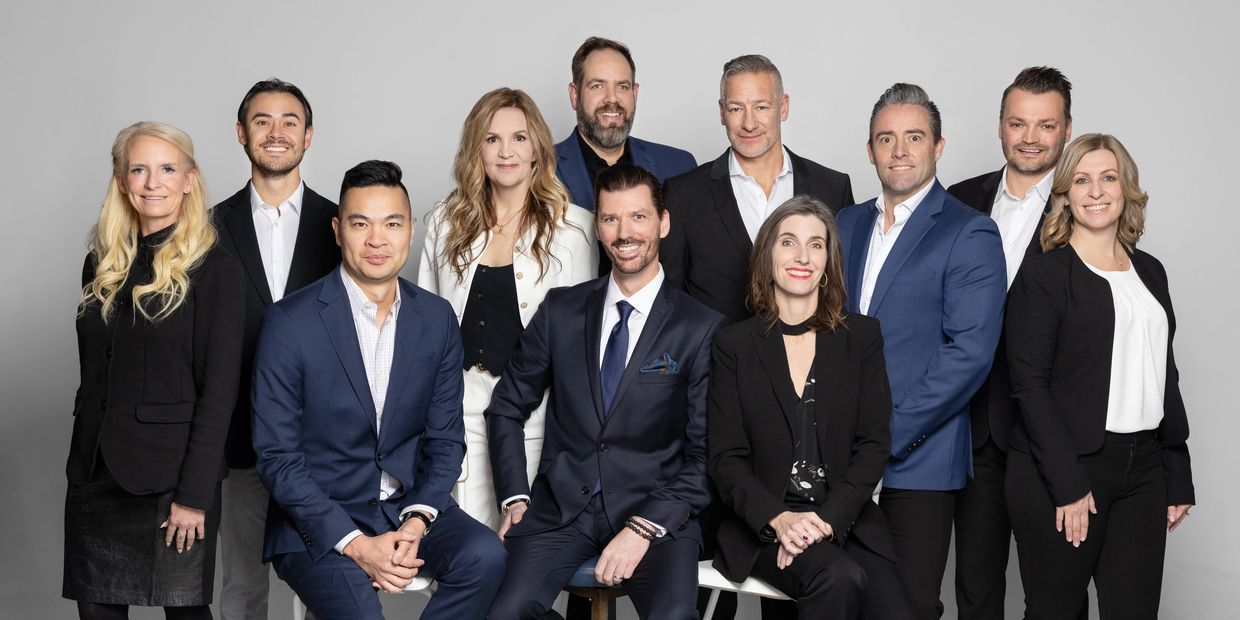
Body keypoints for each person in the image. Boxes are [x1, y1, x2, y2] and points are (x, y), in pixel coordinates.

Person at [251, 160, 506, 619]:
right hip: (319, 518)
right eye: (360, 224)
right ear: (337, 231)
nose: (377, 240)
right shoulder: (289, 323)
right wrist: (356, 544)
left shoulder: (437, 319)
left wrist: (417, 521)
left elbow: (446, 440)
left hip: (406, 508)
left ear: (410, 230)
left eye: (392, 223)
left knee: (485, 557)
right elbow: (276, 457)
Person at [485, 164, 722, 619]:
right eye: (611, 218)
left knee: (674, 616)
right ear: (597, 227)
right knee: (504, 613)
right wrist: (514, 496)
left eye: (638, 217)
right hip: (561, 512)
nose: (624, 232)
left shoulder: (700, 327)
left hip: (656, 512)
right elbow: (506, 407)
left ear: (663, 223)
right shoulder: (561, 310)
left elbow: (705, 456)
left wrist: (644, 526)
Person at [1004, 134, 1195, 619]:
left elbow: (1164, 373)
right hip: (1065, 468)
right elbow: (1028, 386)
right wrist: (1067, 482)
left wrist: (1177, 471)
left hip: (1144, 468)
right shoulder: (1043, 275)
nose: (1095, 191)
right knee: (1056, 611)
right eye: (1082, 180)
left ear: (1126, 188)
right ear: (1065, 193)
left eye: (1108, 178)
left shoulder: (1150, 271)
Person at [835, 83, 1006, 619]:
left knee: (907, 607)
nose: (900, 150)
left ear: (938, 146)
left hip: (918, 460)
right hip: (839, 458)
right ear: (870, 150)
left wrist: (885, 436)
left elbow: (970, 354)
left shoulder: (969, 231)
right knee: (838, 601)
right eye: (886, 138)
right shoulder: (844, 224)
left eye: (914, 137)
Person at [64, 121, 245, 619]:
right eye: (139, 170)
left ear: (189, 179)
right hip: (96, 472)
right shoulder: (101, 264)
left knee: (184, 612)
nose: (152, 182)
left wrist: (194, 495)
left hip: (173, 480)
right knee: (96, 613)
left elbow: (219, 393)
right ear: (122, 181)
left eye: (167, 169)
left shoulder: (215, 270)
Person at [708, 196, 914, 619]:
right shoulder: (734, 345)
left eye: (815, 245)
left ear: (828, 261)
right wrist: (780, 520)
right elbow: (726, 459)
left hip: (844, 519)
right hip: (764, 526)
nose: (802, 256)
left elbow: (873, 445)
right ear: (767, 255)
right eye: (788, 242)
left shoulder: (861, 337)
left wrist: (826, 522)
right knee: (837, 577)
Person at [418, 87, 597, 530]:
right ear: (475, 149)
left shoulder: (575, 229)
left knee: (523, 547)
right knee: (467, 549)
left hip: (535, 420)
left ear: (537, 147)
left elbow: (582, 344)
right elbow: (425, 328)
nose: (506, 151)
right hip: (459, 416)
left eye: (519, 138)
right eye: (492, 139)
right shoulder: (444, 221)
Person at [945, 66, 1074, 620]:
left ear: (1067, 129)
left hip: (1055, 432)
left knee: (1056, 596)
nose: (1030, 138)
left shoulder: (1085, 204)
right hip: (975, 429)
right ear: (1000, 125)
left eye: (1046, 125)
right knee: (976, 588)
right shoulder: (958, 200)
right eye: (1018, 123)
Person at [212, 77, 341, 620]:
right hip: (238, 437)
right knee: (242, 585)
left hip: (324, 443)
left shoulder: (342, 226)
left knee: (325, 585)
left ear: (308, 135)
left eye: (290, 121)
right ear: (241, 133)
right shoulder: (208, 227)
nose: (276, 132)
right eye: (261, 121)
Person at [662, 54, 855, 326]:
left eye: (761, 107)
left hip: (813, 349)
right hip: (714, 353)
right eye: (736, 109)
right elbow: (669, 300)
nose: (749, 124)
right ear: (721, 112)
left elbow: (842, 288)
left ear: (783, 106)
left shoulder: (833, 188)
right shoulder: (683, 194)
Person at [555, 36, 697, 212]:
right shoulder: (540, 169)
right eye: (597, 86)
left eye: (622, 86)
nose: (612, 98)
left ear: (634, 94)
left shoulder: (679, 166)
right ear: (575, 95)